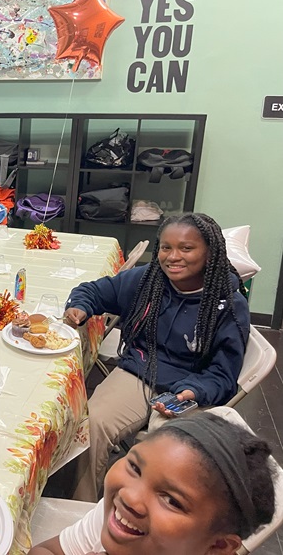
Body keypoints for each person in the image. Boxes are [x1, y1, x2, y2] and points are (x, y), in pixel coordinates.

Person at [63, 212, 250, 501]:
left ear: (210, 252)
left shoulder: (229, 305)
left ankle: (145, 525)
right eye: (165, 247)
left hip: (189, 388)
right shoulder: (147, 280)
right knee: (93, 423)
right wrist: (81, 306)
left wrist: (195, 391)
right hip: (140, 370)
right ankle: (80, 509)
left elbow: (223, 375)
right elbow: (93, 290)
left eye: (186, 248)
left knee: (168, 453)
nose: (173, 257)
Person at [29, 412, 276, 555]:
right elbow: (49, 550)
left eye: (171, 500)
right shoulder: (119, 519)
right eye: (135, 467)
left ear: (218, 546)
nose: (130, 497)